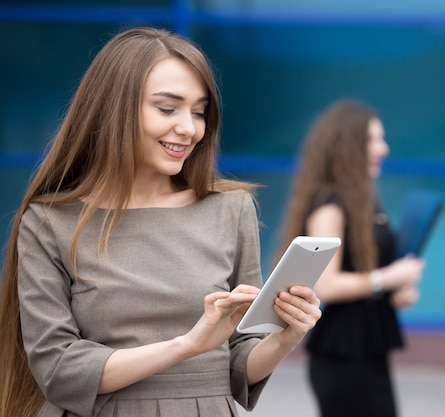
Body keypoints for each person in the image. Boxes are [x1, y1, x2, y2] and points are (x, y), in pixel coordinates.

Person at [0, 27, 322, 417]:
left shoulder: (232, 208)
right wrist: (187, 345)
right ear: (113, 108)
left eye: (200, 112)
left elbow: (239, 363)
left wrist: (286, 337)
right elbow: (58, 370)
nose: (189, 128)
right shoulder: (49, 221)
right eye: (167, 108)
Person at [275, 99, 424, 417]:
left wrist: (396, 293)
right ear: (345, 145)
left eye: (381, 139)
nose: (383, 149)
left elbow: (368, 276)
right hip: (343, 358)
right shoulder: (331, 204)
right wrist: (390, 277)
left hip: (368, 351)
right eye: (371, 140)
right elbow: (327, 285)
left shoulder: (364, 199)